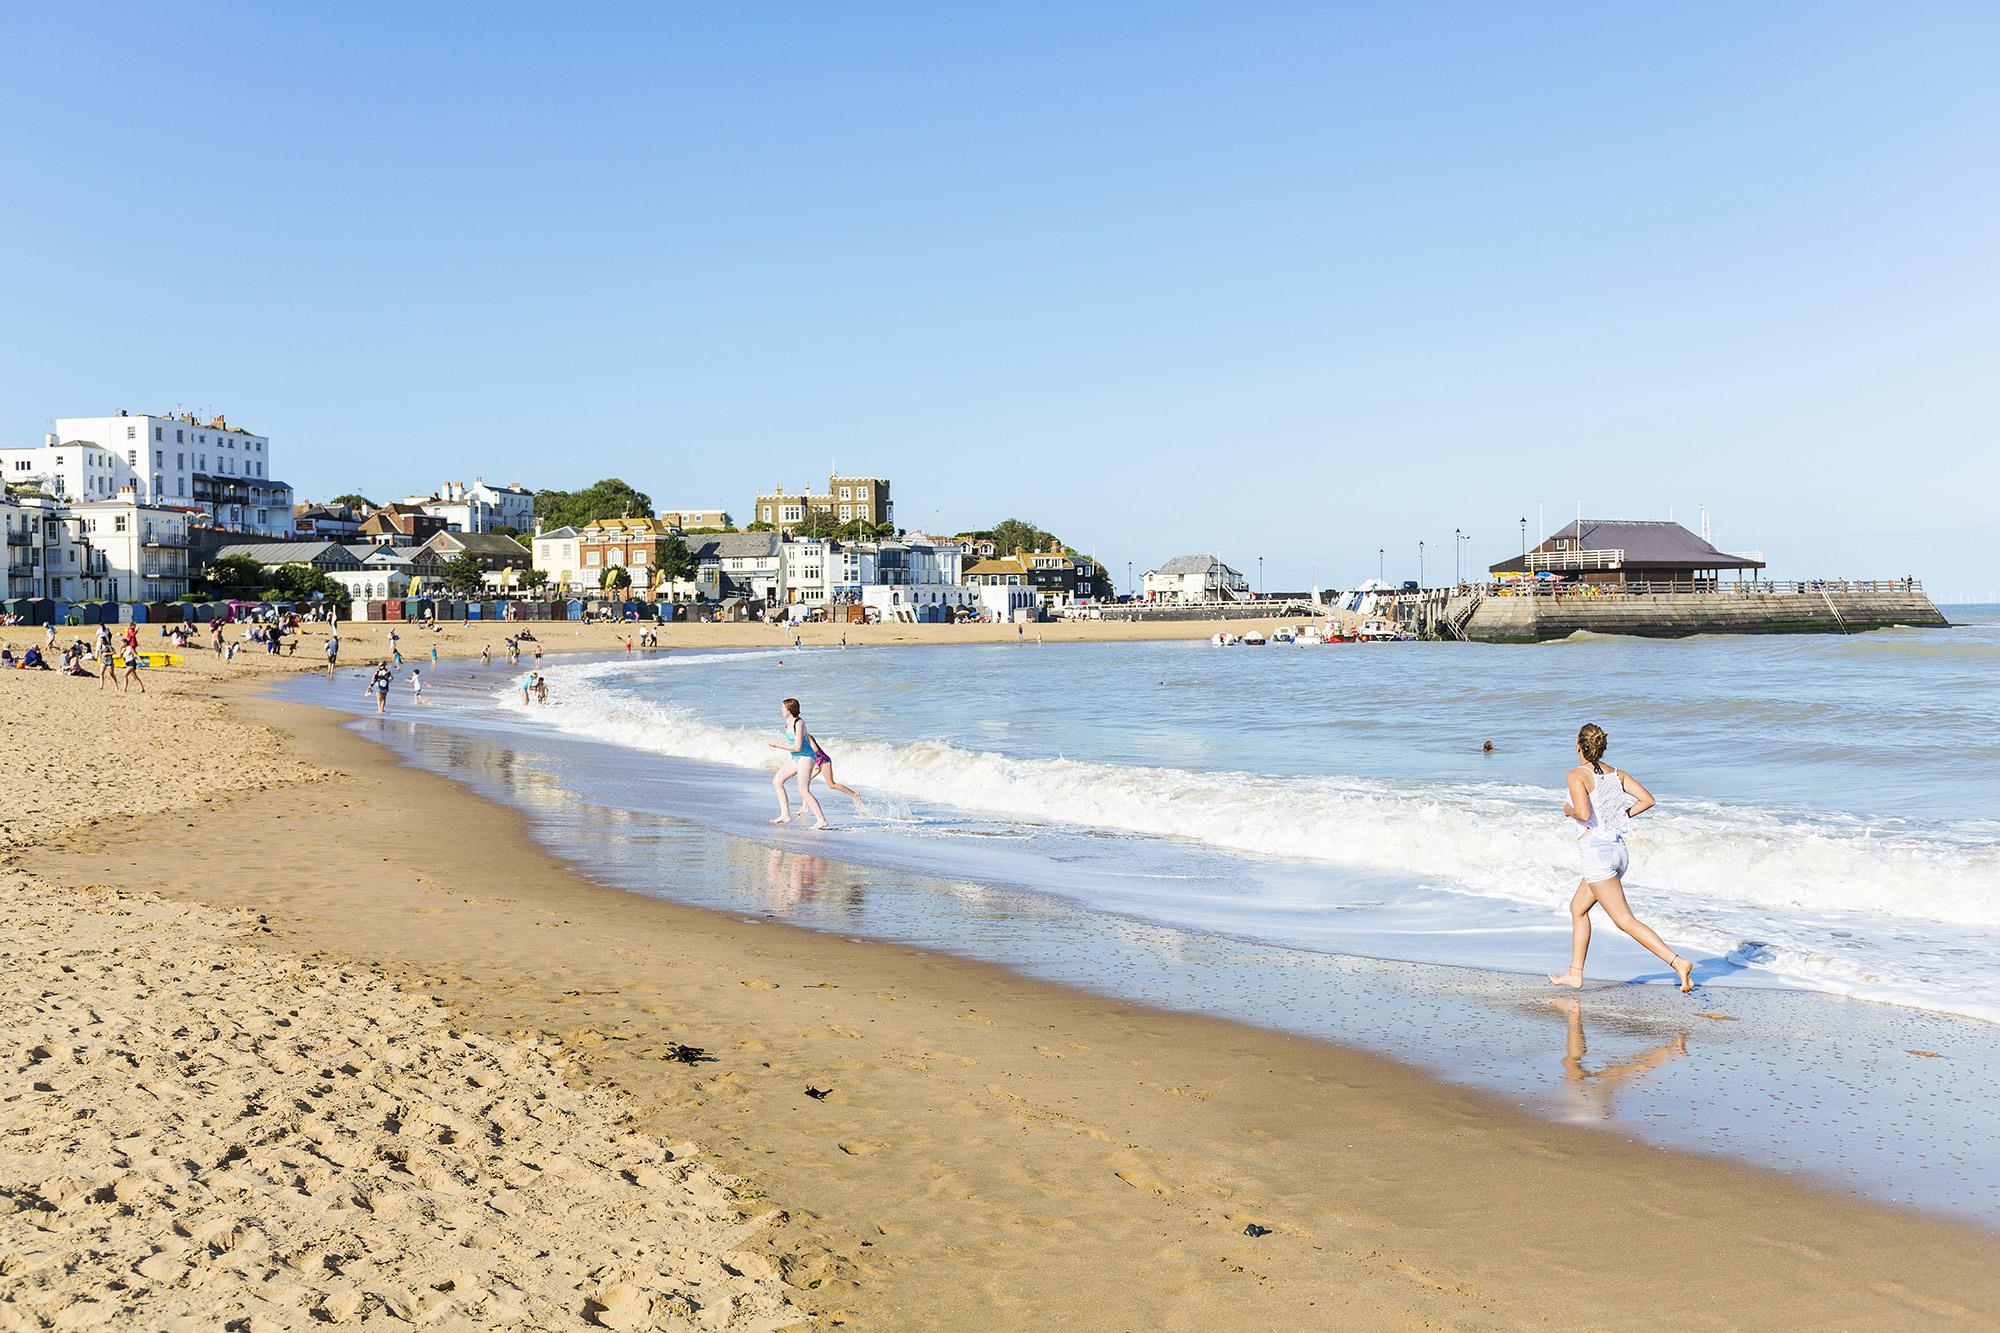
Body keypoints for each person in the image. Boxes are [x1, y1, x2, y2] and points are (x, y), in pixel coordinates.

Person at [1547, 724, 1693, 994]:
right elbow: (1647, 800)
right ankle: (1574, 974)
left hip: (1597, 854)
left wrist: (1567, 810)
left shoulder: (1576, 775)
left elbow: (1581, 812)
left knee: (1624, 920)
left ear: (1578, 745)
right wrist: (1621, 815)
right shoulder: (1617, 774)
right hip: (1618, 851)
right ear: (1601, 747)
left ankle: (1677, 961)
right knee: (1578, 908)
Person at [769, 698, 831, 829]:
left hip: (806, 757)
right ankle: (785, 814)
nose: (781, 709)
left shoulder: (799, 723)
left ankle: (822, 820)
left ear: (789, 709)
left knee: (803, 789)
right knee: (777, 781)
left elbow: (798, 747)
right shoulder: (788, 722)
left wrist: (777, 745)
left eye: (783, 707)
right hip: (796, 757)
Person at [808, 733, 866, 815]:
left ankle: (855, 794)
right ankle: (805, 807)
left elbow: (815, 750)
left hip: (823, 760)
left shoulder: (806, 736)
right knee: (805, 783)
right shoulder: (801, 737)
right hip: (818, 761)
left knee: (831, 784)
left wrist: (816, 762)